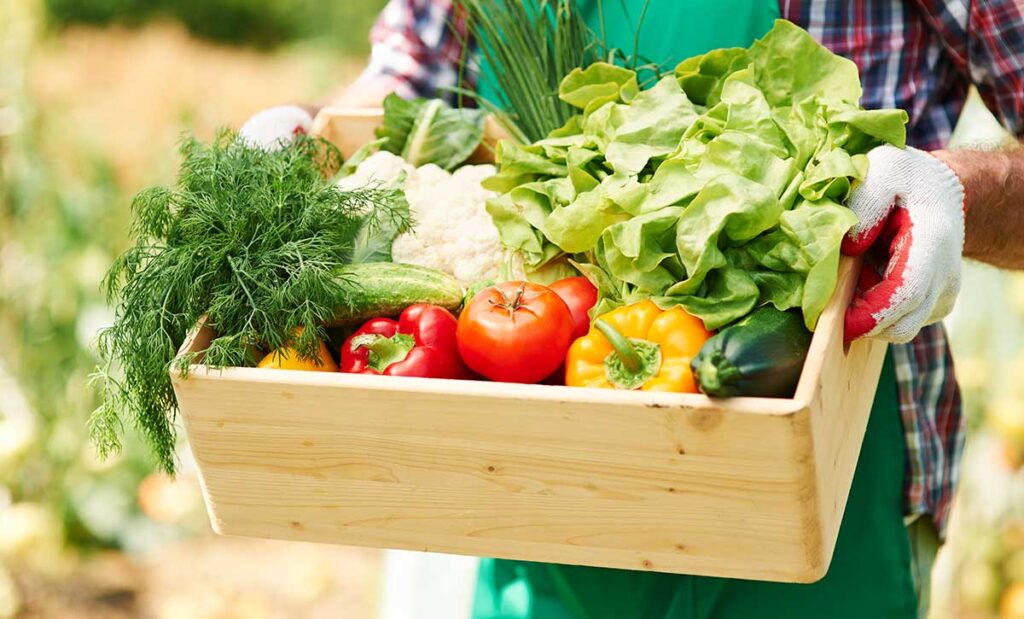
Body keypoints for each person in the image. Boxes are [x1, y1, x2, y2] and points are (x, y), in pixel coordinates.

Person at [241, 1, 1024, 617]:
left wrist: (952, 186)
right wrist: (308, 132)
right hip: (534, 480)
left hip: (830, 473)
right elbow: (404, 80)